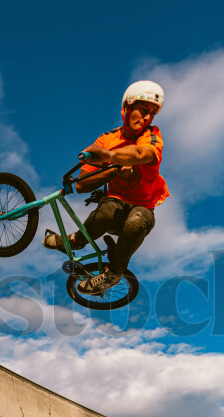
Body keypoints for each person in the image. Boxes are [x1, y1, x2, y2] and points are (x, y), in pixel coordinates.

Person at [43, 80, 170, 295]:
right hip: (115, 205)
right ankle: (74, 241)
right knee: (107, 210)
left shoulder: (151, 135)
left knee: (136, 223)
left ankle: (114, 273)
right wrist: (112, 171)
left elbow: (143, 154)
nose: (148, 117)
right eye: (143, 110)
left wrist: (112, 157)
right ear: (127, 108)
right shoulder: (106, 140)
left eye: (152, 114)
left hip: (143, 208)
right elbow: (82, 184)